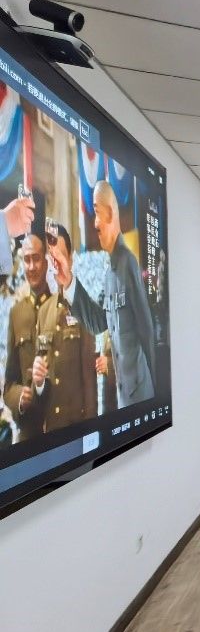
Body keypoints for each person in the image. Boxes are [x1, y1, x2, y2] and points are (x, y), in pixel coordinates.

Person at [59, 180, 157, 409]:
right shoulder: (110, 271)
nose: (94, 223)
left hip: (140, 393)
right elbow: (97, 321)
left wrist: (154, 391)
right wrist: (69, 281)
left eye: (97, 213)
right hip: (125, 396)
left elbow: (146, 330)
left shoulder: (128, 262)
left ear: (111, 213)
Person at [40, 222, 99, 429]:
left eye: (60, 257)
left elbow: (89, 380)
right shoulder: (44, 311)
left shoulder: (83, 308)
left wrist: (91, 429)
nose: (55, 264)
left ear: (70, 260)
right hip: (50, 430)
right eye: (51, 258)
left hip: (76, 427)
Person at [3, 233, 54, 441]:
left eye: (36, 259)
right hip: (29, 434)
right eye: (26, 260)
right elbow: (9, 385)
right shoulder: (16, 314)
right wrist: (19, 398)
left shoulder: (61, 308)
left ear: (46, 262)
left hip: (58, 427)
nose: (32, 267)